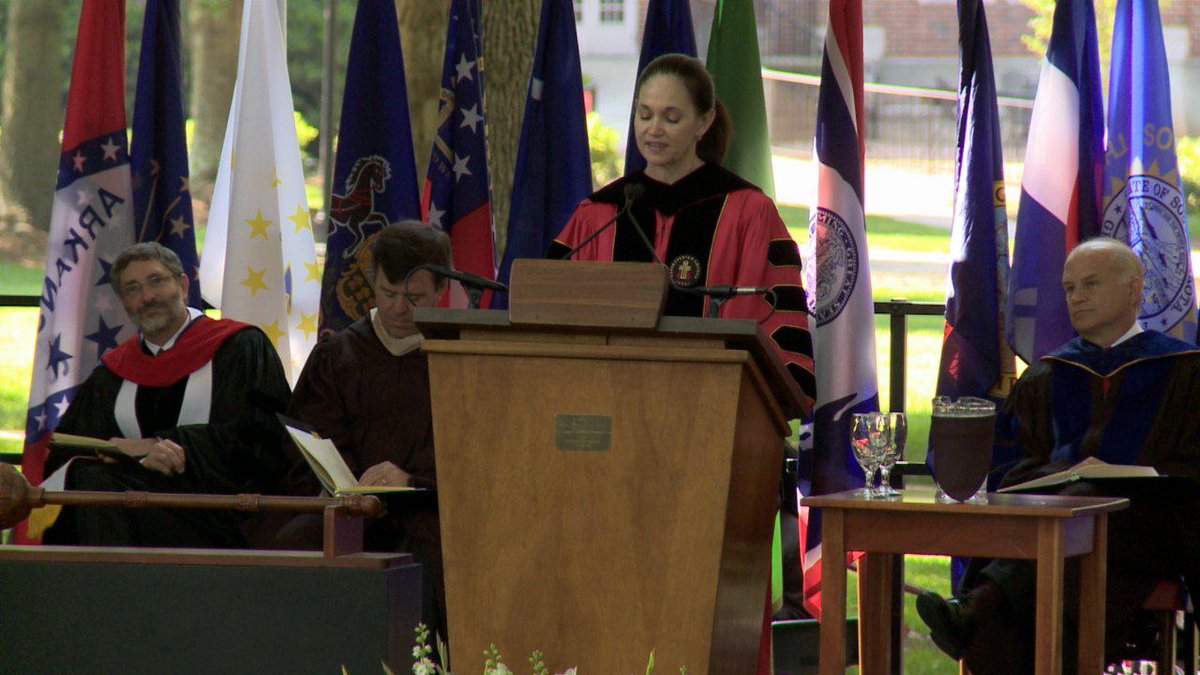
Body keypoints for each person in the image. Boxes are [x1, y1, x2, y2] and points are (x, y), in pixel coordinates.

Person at [916, 238, 1200, 673]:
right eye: (1069, 288)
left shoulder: (1184, 370)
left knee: (1085, 506)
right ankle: (983, 611)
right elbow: (1012, 465)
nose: (1077, 297)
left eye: (1090, 284)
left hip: (1148, 528)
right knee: (1061, 518)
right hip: (1055, 528)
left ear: (1134, 290)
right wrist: (1056, 477)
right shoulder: (1048, 374)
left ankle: (975, 608)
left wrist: (1134, 476)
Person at [548, 53, 814, 401]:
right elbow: (554, 315)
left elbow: (774, 321)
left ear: (703, 123)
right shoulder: (600, 213)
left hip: (709, 407)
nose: (653, 129)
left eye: (670, 118)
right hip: (606, 404)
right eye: (644, 115)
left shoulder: (747, 212)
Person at [41, 242, 292, 547]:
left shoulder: (239, 348)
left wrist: (161, 445)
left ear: (183, 285)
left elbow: (264, 439)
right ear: (124, 303)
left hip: (218, 514)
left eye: (157, 281)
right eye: (132, 289)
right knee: (92, 482)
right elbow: (66, 453)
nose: (147, 297)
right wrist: (118, 454)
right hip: (132, 510)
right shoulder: (112, 374)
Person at [275, 222, 450, 637]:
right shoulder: (340, 355)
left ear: (442, 291)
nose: (398, 309)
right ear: (372, 281)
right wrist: (354, 487)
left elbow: (476, 448)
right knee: (291, 544)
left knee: (433, 558)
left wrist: (412, 481)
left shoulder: (458, 356)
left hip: (430, 509)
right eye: (389, 293)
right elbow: (314, 434)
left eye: (415, 297)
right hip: (349, 506)